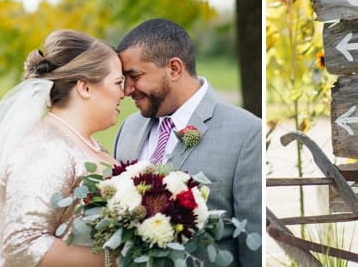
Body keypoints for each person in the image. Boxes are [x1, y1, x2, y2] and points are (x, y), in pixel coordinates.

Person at [0, 30, 125, 267]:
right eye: (118, 82)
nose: (125, 92)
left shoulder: (85, 142)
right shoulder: (46, 149)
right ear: (85, 87)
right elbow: (22, 246)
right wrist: (119, 258)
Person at [113, 18, 263, 267]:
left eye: (134, 76)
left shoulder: (246, 133)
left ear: (174, 69)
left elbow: (254, 248)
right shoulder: (128, 128)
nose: (127, 89)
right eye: (124, 79)